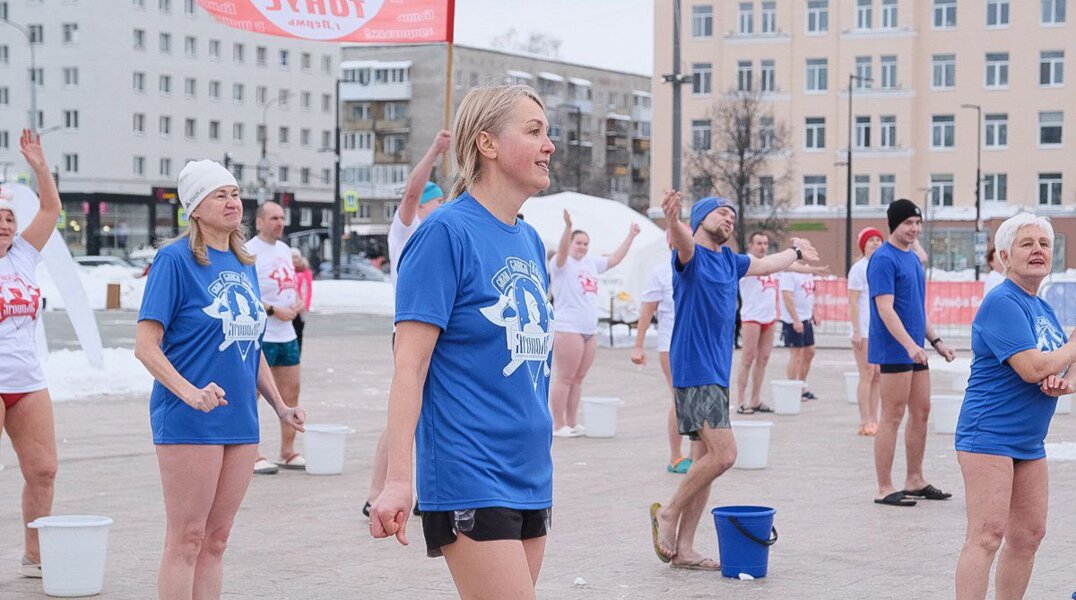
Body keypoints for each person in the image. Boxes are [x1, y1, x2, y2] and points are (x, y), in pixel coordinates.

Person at [369, 84, 556, 600]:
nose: (550, 145)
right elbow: (409, 367)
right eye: (534, 131)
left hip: (532, 469)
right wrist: (397, 479)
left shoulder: (530, 239)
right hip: (471, 468)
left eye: (548, 132)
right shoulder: (444, 233)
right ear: (487, 144)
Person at [135, 159, 304, 597]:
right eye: (219, 195)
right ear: (195, 207)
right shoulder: (174, 260)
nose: (233, 203)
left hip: (240, 420)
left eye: (234, 194)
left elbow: (252, 348)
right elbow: (145, 346)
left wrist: (279, 406)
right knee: (187, 538)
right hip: (190, 418)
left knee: (216, 540)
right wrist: (189, 393)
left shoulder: (243, 261)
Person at [650, 193, 819, 570]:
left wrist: (795, 250)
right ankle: (669, 512)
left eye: (733, 215)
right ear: (700, 218)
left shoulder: (731, 260)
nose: (729, 218)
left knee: (703, 458)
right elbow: (681, 240)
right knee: (725, 455)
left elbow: (765, 263)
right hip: (695, 369)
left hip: (715, 372)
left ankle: (686, 548)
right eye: (721, 213)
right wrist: (675, 221)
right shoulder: (691, 257)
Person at [954, 213, 1075, 600]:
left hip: (1029, 440)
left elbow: (1060, 370)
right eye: (1027, 244)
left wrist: (1063, 381)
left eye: (1044, 244)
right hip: (988, 434)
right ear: (1005, 256)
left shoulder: (1044, 309)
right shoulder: (1002, 302)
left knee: (1029, 536)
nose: (1038, 250)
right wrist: (1071, 347)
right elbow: (1032, 368)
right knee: (987, 535)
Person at [365, 129, 450, 518]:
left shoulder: (447, 233)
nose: (443, 207)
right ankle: (376, 491)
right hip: (409, 331)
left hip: (440, 331)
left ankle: (425, 491)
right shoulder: (407, 230)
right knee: (405, 412)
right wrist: (434, 149)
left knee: (432, 411)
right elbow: (411, 194)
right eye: (439, 202)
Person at [0, 130, 61, 578]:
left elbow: (51, 209)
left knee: (43, 470)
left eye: (8, 218)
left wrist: (39, 166)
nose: (5, 224)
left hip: (27, 381)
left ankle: (34, 554)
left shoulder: (22, 254)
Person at [868, 198, 956, 507]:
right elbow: (885, 309)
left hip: (916, 349)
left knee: (921, 411)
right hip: (895, 350)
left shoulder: (913, 260)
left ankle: (914, 479)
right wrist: (909, 345)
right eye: (908, 223)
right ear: (894, 224)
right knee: (891, 416)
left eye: (917, 223)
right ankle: (884, 486)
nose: (914, 228)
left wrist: (936, 342)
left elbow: (918, 309)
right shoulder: (883, 259)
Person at [549, 210, 640, 436]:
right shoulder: (560, 264)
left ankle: (571, 422)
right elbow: (561, 252)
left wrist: (631, 236)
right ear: (570, 243)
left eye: (586, 244)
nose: (582, 247)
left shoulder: (590, 263)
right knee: (565, 377)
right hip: (568, 328)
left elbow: (615, 259)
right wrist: (568, 228)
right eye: (578, 243)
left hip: (589, 329)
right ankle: (557, 424)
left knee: (578, 379)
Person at [246, 202, 307, 473]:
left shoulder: (284, 250)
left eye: (282, 218)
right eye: (273, 218)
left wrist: (296, 302)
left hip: (287, 332)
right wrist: (272, 309)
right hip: (263, 332)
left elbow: (288, 284)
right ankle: (251, 452)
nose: (279, 223)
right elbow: (245, 292)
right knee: (255, 393)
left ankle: (287, 449)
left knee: (290, 391)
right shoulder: (249, 251)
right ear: (259, 222)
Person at [736, 233, 826, 413]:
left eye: (765, 243)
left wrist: (813, 270)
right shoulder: (747, 263)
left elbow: (792, 267)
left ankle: (755, 399)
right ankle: (740, 400)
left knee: (763, 359)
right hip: (751, 318)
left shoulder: (772, 263)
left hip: (769, 318)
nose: (762, 246)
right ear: (750, 245)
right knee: (748, 358)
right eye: (759, 243)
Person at [632, 228, 692, 474]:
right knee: (679, 399)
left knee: (694, 399)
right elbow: (647, 313)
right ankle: (676, 456)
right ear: (670, 243)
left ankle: (696, 454)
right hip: (671, 344)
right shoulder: (661, 273)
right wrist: (638, 346)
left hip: (696, 345)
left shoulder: (698, 268)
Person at [848, 227, 884, 436]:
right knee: (867, 374)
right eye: (871, 240)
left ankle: (874, 418)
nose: (876, 243)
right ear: (863, 245)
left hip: (878, 329)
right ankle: (864, 420)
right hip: (863, 330)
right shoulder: (859, 268)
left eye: (879, 239)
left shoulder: (880, 266)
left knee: (878, 375)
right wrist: (856, 330)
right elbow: (853, 301)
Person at [780, 265, 821, 401]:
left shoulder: (807, 271)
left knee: (810, 351)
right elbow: (787, 296)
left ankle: (802, 385)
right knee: (796, 354)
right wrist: (795, 319)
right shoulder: (789, 271)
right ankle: (792, 388)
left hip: (806, 317)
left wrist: (813, 314)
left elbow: (808, 295)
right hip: (793, 319)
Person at [291, 248, 313, 351]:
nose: (295, 260)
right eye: (292, 258)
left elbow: (308, 290)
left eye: (296, 257)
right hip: (289, 306)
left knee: (298, 332)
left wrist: (305, 305)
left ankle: (297, 354)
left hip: (300, 307)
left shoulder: (305, 273)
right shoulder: (289, 272)